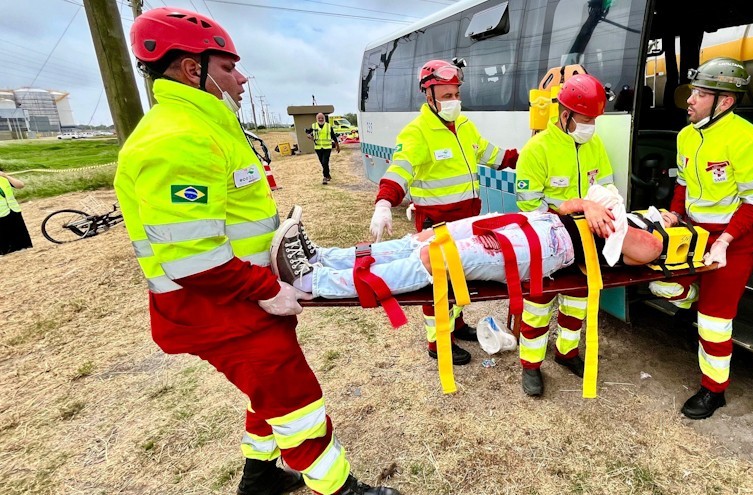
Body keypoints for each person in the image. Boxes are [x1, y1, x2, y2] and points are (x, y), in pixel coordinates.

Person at [116, 8, 399, 495]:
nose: (241, 77)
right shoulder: (179, 138)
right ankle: (337, 488)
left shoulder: (206, 125)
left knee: (264, 392)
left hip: (233, 301)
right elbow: (191, 258)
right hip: (219, 308)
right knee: (295, 400)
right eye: (228, 67)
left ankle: (261, 475)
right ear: (192, 69)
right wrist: (265, 288)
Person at [370, 59, 519, 367]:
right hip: (436, 222)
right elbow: (399, 169)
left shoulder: (465, 126)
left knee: (459, 275)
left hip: (467, 219)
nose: (454, 102)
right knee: (439, 283)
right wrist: (385, 202)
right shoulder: (417, 133)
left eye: (456, 95)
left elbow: (492, 154)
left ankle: (458, 325)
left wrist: (524, 157)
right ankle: (439, 343)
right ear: (430, 96)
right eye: (447, 96)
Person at [654, 57, 753, 420]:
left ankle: (713, 390)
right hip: (694, 233)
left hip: (735, 242)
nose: (689, 100)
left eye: (700, 94)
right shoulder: (686, 135)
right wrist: (675, 215)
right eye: (692, 92)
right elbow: (683, 183)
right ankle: (692, 296)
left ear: (725, 101)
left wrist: (723, 241)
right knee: (661, 285)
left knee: (714, 320)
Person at [272, 200, 660, 303]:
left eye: (672, 217)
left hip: (545, 247)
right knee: (423, 239)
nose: (667, 214)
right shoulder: (615, 209)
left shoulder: (650, 234)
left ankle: (312, 280)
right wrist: (588, 205)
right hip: (531, 222)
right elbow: (565, 205)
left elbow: (647, 250)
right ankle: (324, 257)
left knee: (433, 259)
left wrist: (623, 218)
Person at [513, 73, 614, 396]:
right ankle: (531, 365)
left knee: (577, 304)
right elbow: (528, 206)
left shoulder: (594, 144)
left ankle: (567, 353)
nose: (591, 127)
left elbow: (607, 188)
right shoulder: (537, 149)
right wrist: (569, 208)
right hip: (548, 243)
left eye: (595, 121)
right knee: (538, 306)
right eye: (586, 120)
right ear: (565, 114)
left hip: (586, 242)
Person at [0, 169, 32, 255]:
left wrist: (6, 176)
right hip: (1, 214)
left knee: (21, 238)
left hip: (13, 210)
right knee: (5, 241)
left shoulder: (3, 179)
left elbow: (20, 185)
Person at [306, 113, 341, 185]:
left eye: (322, 118)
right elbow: (309, 132)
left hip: (327, 147)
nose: (321, 119)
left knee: (325, 162)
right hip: (318, 148)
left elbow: (333, 136)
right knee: (323, 163)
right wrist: (309, 135)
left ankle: (325, 177)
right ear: (317, 119)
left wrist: (337, 146)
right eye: (319, 118)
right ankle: (328, 174)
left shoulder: (328, 126)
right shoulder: (314, 126)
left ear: (324, 118)